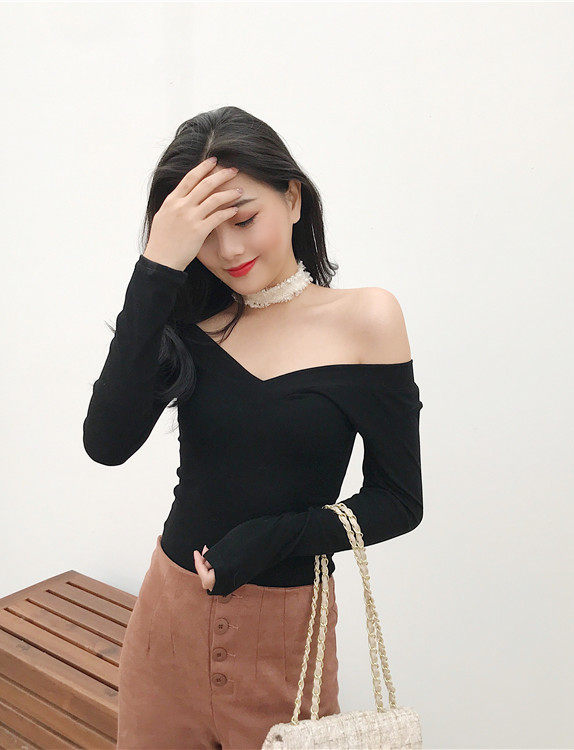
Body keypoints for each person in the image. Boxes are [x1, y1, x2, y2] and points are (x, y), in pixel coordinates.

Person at [83, 106, 424, 750]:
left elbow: (400, 501)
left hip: (287, 641)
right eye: (204, 235)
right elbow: (106, 444)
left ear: (291, 198)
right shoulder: (191, 326)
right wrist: (156, 267)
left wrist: (272, 539)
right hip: (168, 625)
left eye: (243, 220)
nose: (230, 251)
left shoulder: (367, 320)